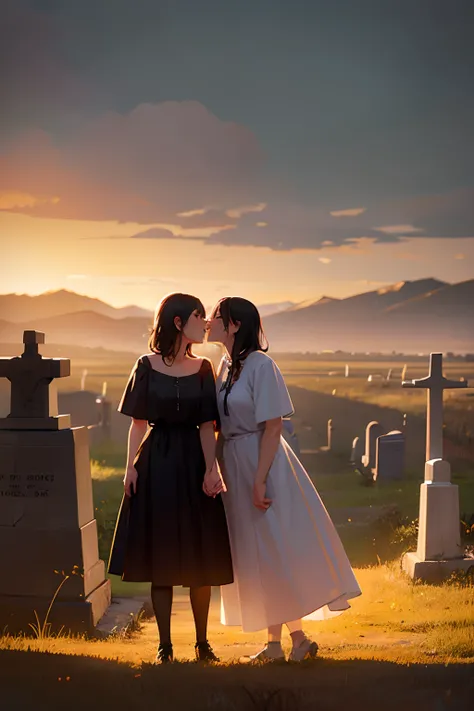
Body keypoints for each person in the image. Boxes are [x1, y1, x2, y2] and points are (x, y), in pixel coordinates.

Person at [207, 297, 361, 662]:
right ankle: (284, 642)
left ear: (234, 325)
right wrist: (214, 467)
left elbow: (274, 426)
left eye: (216, 316)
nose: (210, 321)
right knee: (255, 555)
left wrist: (259, 480)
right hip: (233, 463)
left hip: (263, 462)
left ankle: (292, 640)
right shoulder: (224, 366)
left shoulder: (262, 366)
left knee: (274, 548)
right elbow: (219, 425)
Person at [108, 293, 233, 664]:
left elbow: (207, 425)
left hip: (193, 463)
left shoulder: (204, 368)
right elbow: (138, 423)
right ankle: (164, 647)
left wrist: (212, 470)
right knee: (159, 556)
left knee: (200, 555)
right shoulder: (145, 365)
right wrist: (129, 466)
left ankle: (202, 643)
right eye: (198, 316)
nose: (205, 322)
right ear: (178, 323)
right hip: (156, 463)